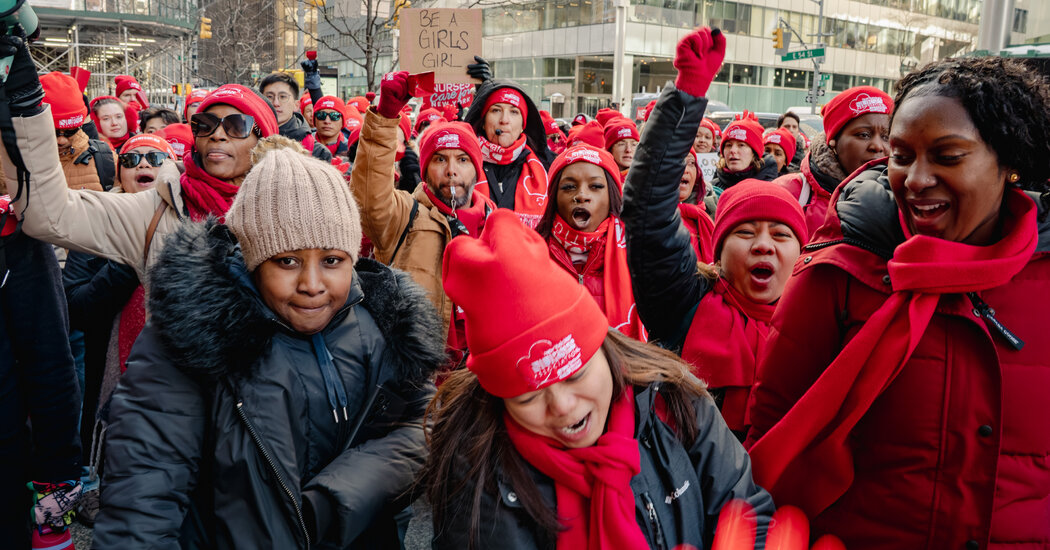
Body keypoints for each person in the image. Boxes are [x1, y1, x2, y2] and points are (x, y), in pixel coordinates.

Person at [745, 56, 1050, 549]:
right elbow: (770, 431)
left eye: (947, 157)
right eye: (901, 155)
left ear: (1009, 161)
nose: (916, 178)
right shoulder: (840, 272)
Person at [93, 142, 445, 548]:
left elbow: (423, 426)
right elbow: (141, 505)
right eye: (287, 261)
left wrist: (336, 499)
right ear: (252, 259)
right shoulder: (189, 339)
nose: (312, 285)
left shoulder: (383, 325)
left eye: (331, 260)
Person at [423, 207, 773, 549]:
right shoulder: (475, 470)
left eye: (575, 375)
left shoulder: (676, 401)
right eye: (528, 397)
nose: (562, 406)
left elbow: (745, 511)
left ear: (604, 350)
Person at [622, 28, 807, 439]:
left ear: (803, 251)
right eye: (745, 232)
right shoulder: (683, 304)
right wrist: (687, 95)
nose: (763, 244)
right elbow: (647, 211)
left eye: (780, 235)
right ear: (718, 251)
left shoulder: (822, 323)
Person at [6, 71, 278, 285]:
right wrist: (24, 102)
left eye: (236, 125)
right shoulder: (157, 208)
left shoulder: (289, 205)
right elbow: (48, 216)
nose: (217, 135)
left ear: (263, 139)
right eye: (205, 124)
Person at [352, 70, 494, 357]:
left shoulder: (496, 223)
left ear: (476, 169)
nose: (451, 170)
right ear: (425, 169)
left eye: (462, 160)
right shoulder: (404, 215)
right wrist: (386, 116)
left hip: (477, 380)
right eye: (440, 159)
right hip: (419, 380)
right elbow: (368, 200)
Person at [535, 144, 645, 340]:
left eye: (595, 186)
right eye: (569, 187)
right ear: (553, 197)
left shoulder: (638, 252)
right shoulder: (530, 255)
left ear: (612, 195)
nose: (582, 196)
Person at [774, 86, 892, 237]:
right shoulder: (789, 194)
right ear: (834, 140)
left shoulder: (908, 200)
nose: (877, 146)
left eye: (886, 136)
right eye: (863, 135)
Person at [463, 66, 554, 228]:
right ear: (483, 122)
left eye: (514, 112)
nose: (504, 120)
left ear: (522, 125)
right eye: (496, 110)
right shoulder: (461, 161)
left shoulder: (547, 166)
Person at [41, 72, 115, 192]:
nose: (61, 140)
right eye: (53, 132)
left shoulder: (105, 157)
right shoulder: (11, 159)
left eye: (71, 131)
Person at [259, 71, 332, 161]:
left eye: (283, 97)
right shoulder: (247, 140)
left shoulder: (318, 153)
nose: (276, 103)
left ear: (296, 105)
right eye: (269, 96)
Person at [709, 112, 778, 193]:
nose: (733, 150)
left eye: (741, 145)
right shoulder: (712, 188)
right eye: (728, 145)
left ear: (754, 153)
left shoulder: (770, 188)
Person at [677, 148, 715, 262]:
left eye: (691, 163)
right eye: (679, 162)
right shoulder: (650, 217)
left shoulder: (709, 210)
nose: (686, 170)